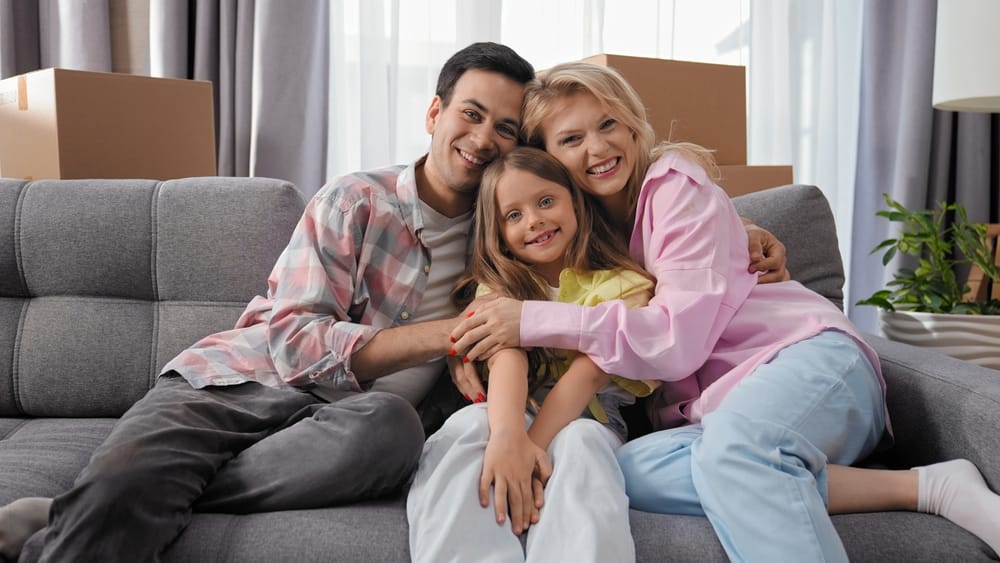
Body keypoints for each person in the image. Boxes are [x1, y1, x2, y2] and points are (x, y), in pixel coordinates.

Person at [0, 44, 788, 561]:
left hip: (354, 424)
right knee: (132, 480)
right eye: (470, 114)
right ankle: (105, 505)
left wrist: (739, 227)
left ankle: (127, 501)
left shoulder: (504, 241)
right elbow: (290, 339)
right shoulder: (358, 200)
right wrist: (447, 335)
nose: (482, 138)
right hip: (241, 384)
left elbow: (628, 235)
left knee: (393, 425)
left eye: (505, 128)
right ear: (436, 114)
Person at [447, 61, 1000, 561]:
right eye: (572, 138)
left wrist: (530, 319)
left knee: (738, 450)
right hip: (715, 415)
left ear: (634, 126)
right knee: (625, 470)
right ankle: (928, 486)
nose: (596, 147)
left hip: (806, 361)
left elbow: (674, 341)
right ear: (551, 161)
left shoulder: (673, 185)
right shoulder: (589, 236)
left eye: (608, 124)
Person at [409, 146, 655, 562]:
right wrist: (508, 440)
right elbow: (508, 357)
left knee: (581, 442)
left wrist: (529, 453)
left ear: (575, 201)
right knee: (470, 426)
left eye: (545, 202)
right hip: (513, 409)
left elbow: (588, 375)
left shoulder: (623, 284)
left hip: (589, 413)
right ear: (498, 233)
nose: (535, 220)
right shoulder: (500, 286)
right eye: (514, 215)